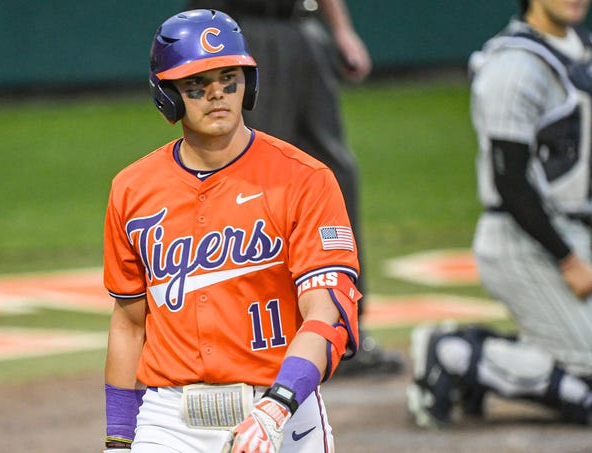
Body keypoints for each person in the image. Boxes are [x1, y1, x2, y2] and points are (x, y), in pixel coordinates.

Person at [102, 9, 363, 452]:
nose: (217, 94)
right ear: (167, 95)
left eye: (229, 78)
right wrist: (118, 439)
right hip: (171, 419)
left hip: (282, 406)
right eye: (196, 85)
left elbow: (326, 314)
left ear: (249, 83)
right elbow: (129, 325)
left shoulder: (304, 180)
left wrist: (277, 406)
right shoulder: (133, 190)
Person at [184, 0, 403, 376]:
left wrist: (340, 30)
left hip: (303, 29)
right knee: (252, 177)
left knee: (332, 174)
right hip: (241, 33)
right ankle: (241, 335)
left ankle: (343, 332)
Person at [407, 0, 592, 429]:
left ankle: (506, 350)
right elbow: (510, 182)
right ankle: (453, 355)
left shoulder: (578, 50)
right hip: (525, 240)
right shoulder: (515, 64)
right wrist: (567, 258)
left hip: (571, 231)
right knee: (586, 382)